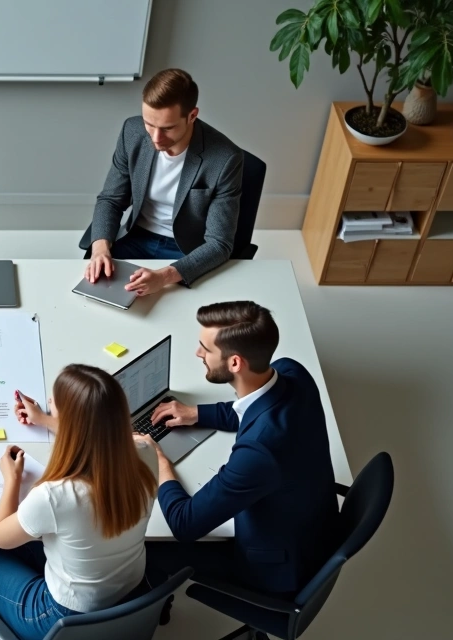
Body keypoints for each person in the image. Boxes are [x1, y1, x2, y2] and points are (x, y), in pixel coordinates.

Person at [0, 365, 159, 640]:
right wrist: (44, 419)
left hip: (59, 617)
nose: (48, 403)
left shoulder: (57, 494)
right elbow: (97, 434)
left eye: (53, 405)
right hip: (128, 596)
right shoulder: (145, 454)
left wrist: (12, 479)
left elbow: (1, 537)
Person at [138, 301, 340, 596]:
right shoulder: (290, 372)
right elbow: (249, 409)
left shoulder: (260, 452)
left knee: (146, 550)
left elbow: (185, 523)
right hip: (312, 521)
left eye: (205, 349)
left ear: (235, 363)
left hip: (273, 566)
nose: (198, 354)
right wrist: (196, 413)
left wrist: (157, 460)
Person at [82, 68, 244, 296]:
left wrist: (164, 276)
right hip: (134, 237)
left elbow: (219, 244)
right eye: (149, 124)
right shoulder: (132, 132)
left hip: (185, 250)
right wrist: (100, 248)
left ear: (192, 115)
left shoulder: (225, 159)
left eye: (167, 128)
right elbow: (111, 199)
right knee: (97, 295)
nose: (156, 138)